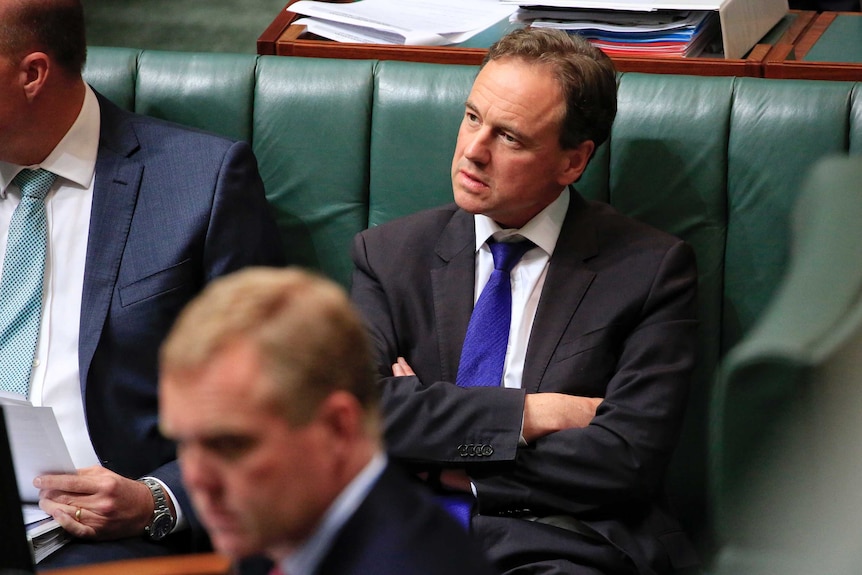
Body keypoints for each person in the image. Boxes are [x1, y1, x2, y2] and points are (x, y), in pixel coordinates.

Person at [350, 28, 700, 575]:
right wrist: (533, 413)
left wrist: (440, 457)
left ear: (572, 161)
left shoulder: (651, 270)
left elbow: (626, 459)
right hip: (402, 533)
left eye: (509, 137)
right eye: (471, 118)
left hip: (559, 544)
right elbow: (353, 412)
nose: (474, 150)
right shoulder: (389, 255)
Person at [0, 0, 284, 566]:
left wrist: (158, 499)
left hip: (100, 534)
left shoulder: (200, 183)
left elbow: (271, 399)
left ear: (31, 74)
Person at [158, 267, 496, 575]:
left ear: (338, 429)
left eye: (230, 445)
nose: (196, 479)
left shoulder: (416, 564)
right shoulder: (272, 538)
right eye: (185, 442)